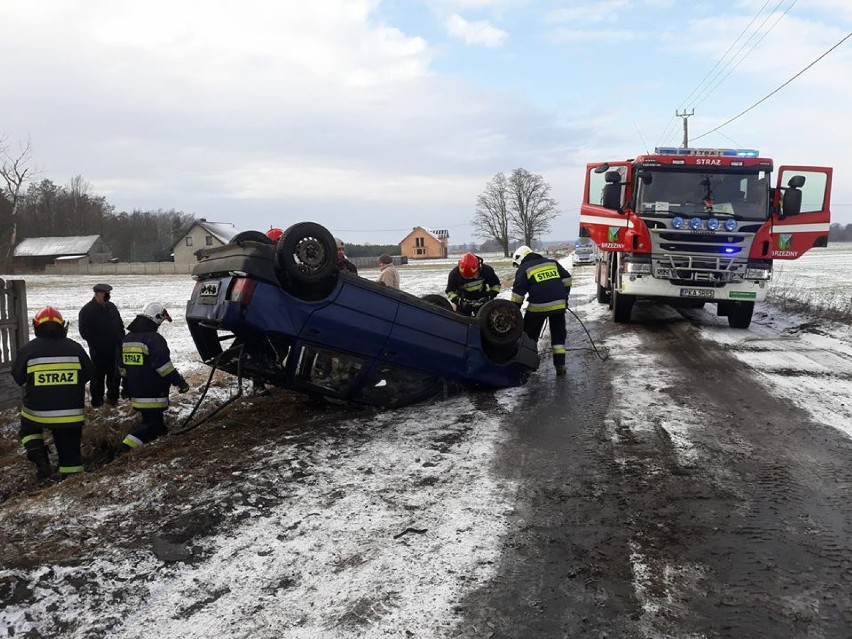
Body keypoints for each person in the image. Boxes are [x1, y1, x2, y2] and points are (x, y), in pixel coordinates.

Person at [11, 306, 94, 482]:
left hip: (37, 413)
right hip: (70, 415)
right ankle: (72, 479)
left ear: (36, 326)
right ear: (62, 325)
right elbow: (89, 372)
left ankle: (41, 461)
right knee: (70, 450)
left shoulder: (28, 349)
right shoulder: (75, 347)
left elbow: (18, 377)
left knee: (28, 430)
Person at [114, 303, 189, 458]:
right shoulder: (154, 339)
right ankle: (124, 449)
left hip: (136, 393)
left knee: (158, 426)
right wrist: (180, 382)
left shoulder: (128, 339)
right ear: (156, 319)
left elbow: (122, 368)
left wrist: (126, 387)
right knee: (151, 425)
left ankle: (157, 450)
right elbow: (164, 368)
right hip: (153, 392)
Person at [510, 245, 572, 376]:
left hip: (538, 307)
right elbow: (567, 279)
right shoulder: (552, 263)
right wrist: (564, 297)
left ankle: (527, 365)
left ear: (520, 258)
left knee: (529, 335)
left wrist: (513, 311)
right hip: (558, 305)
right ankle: (560, 366)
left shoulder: (524, 268)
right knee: (558, 336)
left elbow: (518, 294)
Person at [78, 283, 125, 408]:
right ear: (97, 294)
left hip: (114, 349)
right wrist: (98, 344)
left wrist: (121, 340)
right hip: (98, 351)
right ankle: (97, 402)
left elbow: (120, 325)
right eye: (105, 294)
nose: (107, 296)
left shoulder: (112, 307)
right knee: (98, 376)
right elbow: (84, 332)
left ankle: (113, 400)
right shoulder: (87, 310)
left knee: (115, 375)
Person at [445, 252, 501, 317]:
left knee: (486, 321)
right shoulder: (454, 274)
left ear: (478, 268)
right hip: (463, 301)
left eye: (472, 276)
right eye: (466, 277)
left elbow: (496, 285)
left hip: (482, 299)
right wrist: (460, 302)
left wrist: (489, 296)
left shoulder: (486, 271)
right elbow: (449, 291)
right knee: (461, 323)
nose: (470, 279)